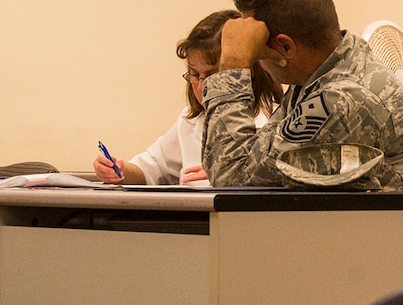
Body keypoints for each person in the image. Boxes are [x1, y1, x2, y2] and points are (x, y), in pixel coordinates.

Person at [202, 0, 403, 191]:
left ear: (285, 47)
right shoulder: (327, 73)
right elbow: (253, 160)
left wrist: (232, 64)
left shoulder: (347, 98)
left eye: (255, 51)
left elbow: (231, 176)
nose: (257, 61)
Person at [92, 10, 276, 186]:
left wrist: (223, 173)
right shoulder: (190, 120)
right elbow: (153, 167)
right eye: (195, 74)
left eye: (212, 76)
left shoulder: (274, 121)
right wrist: (119, 171)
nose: (200, 87)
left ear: (243, 72)